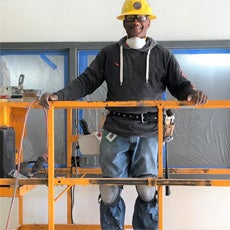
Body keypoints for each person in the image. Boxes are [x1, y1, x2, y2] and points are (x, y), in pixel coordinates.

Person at [39, 0, 208, 229]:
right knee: (109, 190)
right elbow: (85, 82)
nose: (136, 22)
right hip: (115, 129)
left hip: (149, 130)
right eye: (131, 18)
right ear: (123, 23)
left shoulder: (162, 55)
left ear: (149, 22)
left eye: (141, 18)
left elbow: (180, 85)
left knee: (148, 189)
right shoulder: (109, 54)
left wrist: (192, 93)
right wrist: (59, 95)